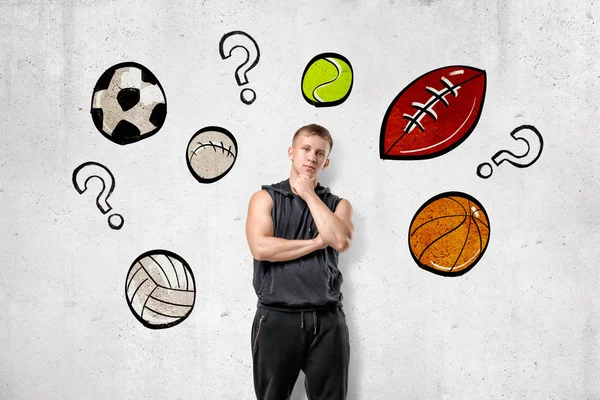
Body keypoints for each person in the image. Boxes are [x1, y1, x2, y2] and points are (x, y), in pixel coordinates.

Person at [245, 123, 355, 400]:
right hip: (277, 317)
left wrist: (308, 193)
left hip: (327, 319)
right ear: (291, 152)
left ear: (326, 161)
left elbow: (340, 241)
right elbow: (261, 248)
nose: (312, 157)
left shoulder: (339, 205)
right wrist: (317, 243)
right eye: (306, 149)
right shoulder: (264, 198)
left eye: (320, 153)